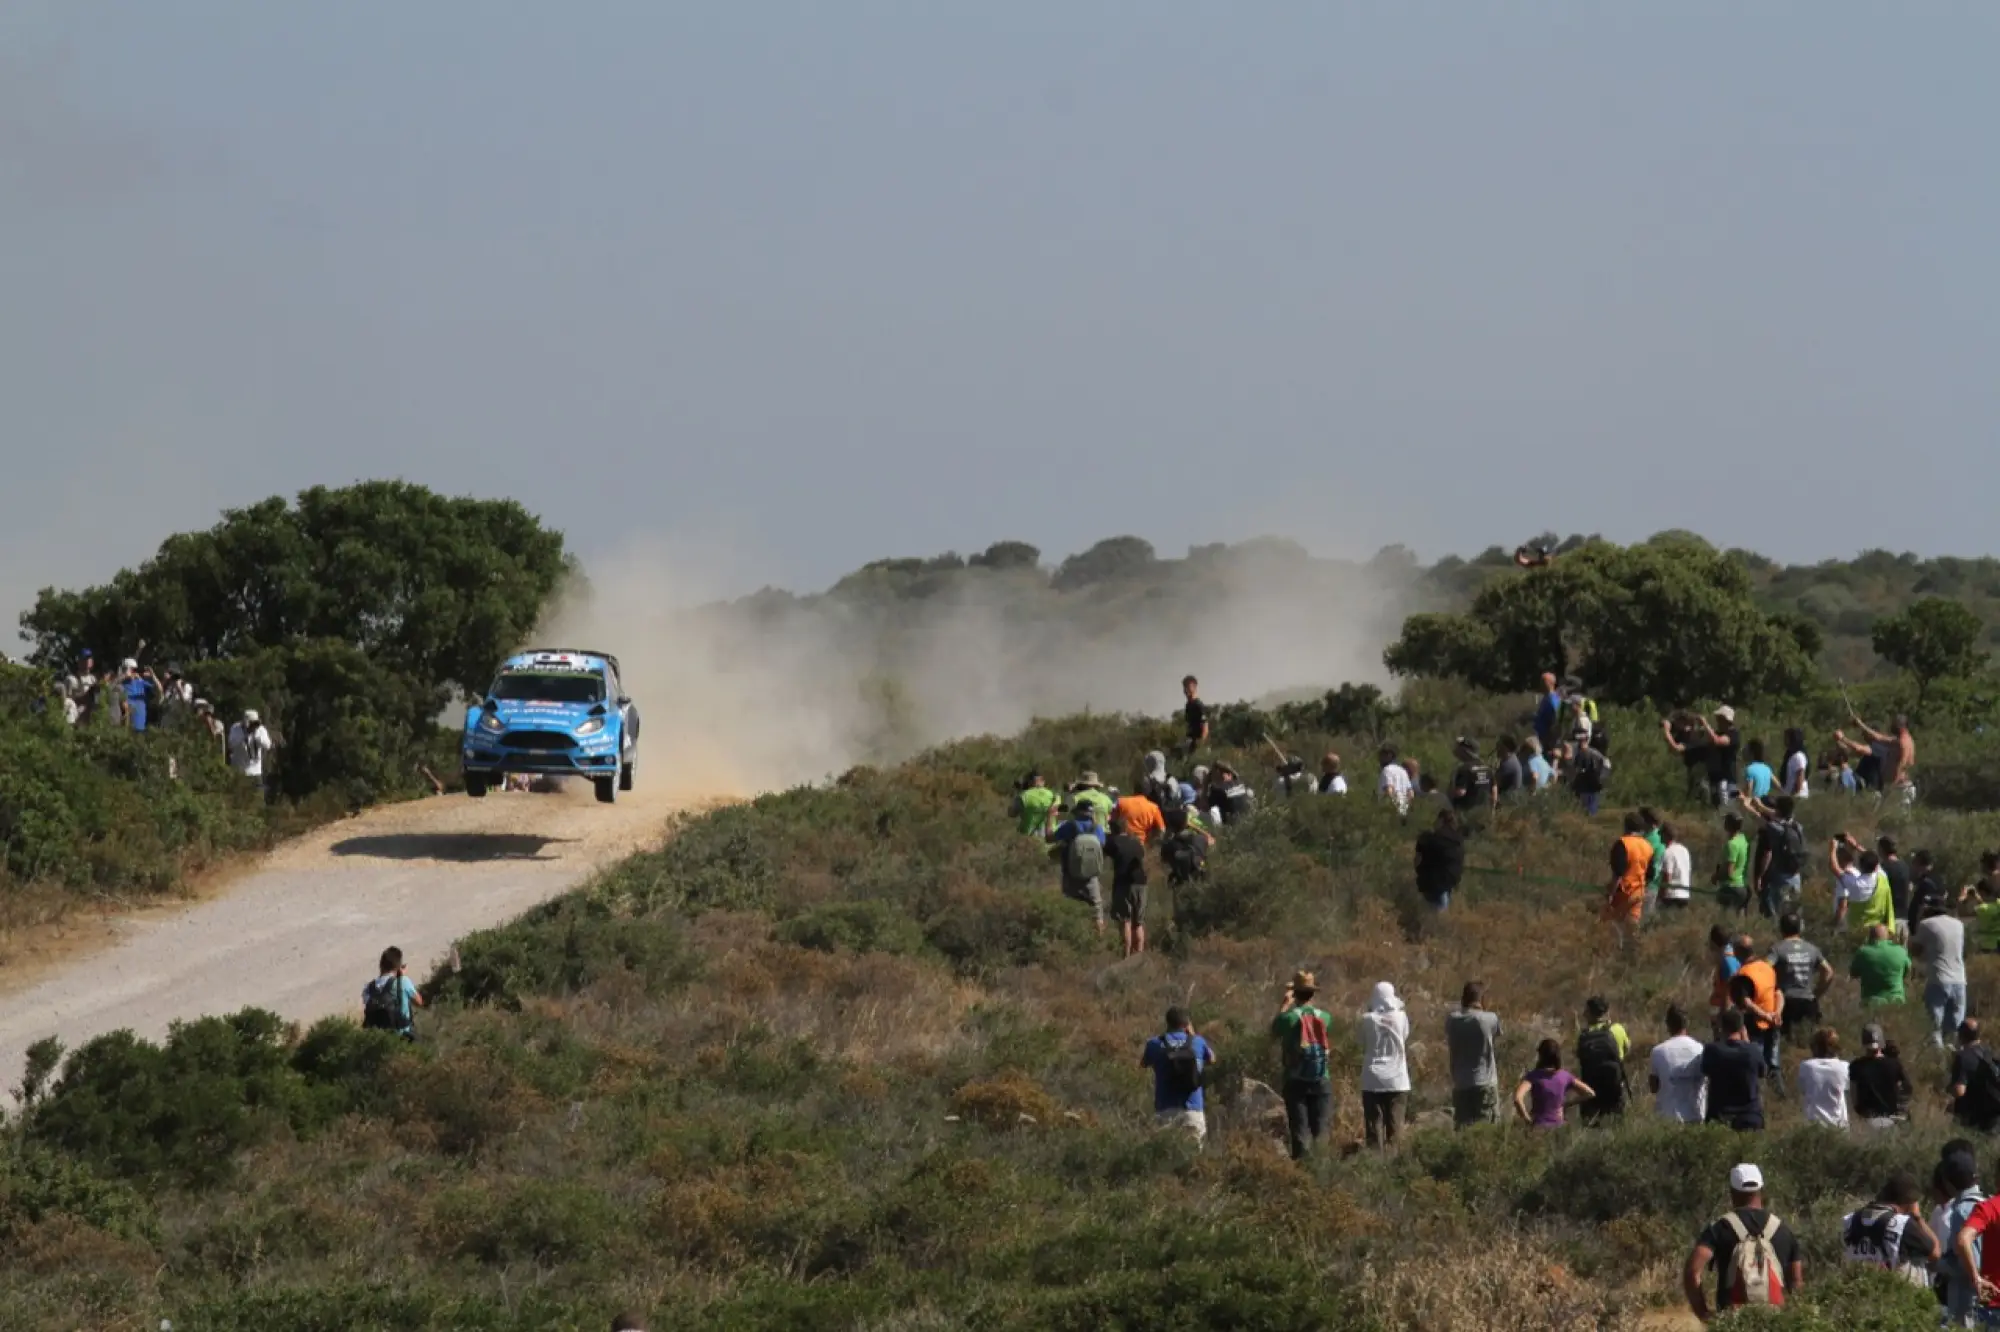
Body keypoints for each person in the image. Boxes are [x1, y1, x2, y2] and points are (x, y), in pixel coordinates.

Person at [1684, 1163, 1803, 1319]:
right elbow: (1796, 1283)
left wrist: (1704, 1315)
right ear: (1761, 1190)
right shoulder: (1784, 1231)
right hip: (1775, 1321)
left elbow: (1693, 1272)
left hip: (1733, 1322)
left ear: (1732, 1192)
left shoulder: (1720, 1227)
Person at [1271, 971, 1333, 1161]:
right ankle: (1322, 1166)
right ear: (1313, 994)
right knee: (1321, 1129)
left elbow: (1274, 1030)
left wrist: (1284, 1005)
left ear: (1295, 994)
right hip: (1321, 1077)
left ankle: (1302, 1167)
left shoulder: (1289, 1018)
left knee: (1300, 1129)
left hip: (1295, 1079)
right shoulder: (1325, 1017)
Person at [1841, 1171, 1938, 1288]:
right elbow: (1935, 1252)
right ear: (1910, 1203)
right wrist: (1917, 1217)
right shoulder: (1902, 1224)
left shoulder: (1850, 1219)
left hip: (1859, 1290)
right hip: (1899, 1293)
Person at [1140, 1007, 1216, 1145]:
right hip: (1193, 1110)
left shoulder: (1154, 1044)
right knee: (1192, 1154)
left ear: (1167, 1023)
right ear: (1187, 1024)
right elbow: (1211, 1059)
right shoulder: (1198, 1042)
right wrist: (1192, 1034)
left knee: (1165, 1153)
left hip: (1165, 1110)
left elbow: (1144, 1064)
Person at [1935, 1147, 1987, 1325]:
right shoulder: (1988, 1204)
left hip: (1968, 1300)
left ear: (1948, 1183)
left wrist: (1938, 1264)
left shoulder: (1962, 1211)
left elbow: (1969, 1264)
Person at [1357, 981, 1411, 1150]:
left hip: (1372, 1079)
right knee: (1396, 1128)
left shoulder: (1367, 1019)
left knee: (1374, 1128)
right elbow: (1405, 1037)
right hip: (1397, 1080)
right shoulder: (1401, 1017)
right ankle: (1394, 1161)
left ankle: (1374, 1162)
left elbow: (1361, 1042)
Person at [1043, 799, 1108, 935]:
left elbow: (1049, 838)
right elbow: (1101, 845)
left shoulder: (1070, 826)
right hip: (1091, 876)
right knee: (1096, 910)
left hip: (1070, 874)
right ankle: (1099, 939)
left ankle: (1070, 937)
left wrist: (1049, 817)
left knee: (1069, 909)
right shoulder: (1097, 828)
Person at [1768, 914, 1832, 1047]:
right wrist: (1817, 993)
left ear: (1781, 928)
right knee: (1807, 1043)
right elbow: (1828, 971)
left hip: (1786, 1002)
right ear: (1800, 928)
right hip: (1808, 1001)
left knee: (1784, 1042)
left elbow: (1765, 968)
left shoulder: (1777, 949)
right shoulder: (1812, 949)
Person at [1445, 981, 1503, 1128]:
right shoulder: (1489, 1018)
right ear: (1482, 999)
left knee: (1463, 1129)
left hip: (1461, 1083)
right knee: (1487, 1130)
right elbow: (1496, 1034)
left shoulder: (1452, 1020)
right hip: (1485, 1082)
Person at [1913, 898, 1969, 1048]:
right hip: (1959, 979)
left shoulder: (1926, 924)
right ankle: (1952, 1055)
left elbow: (1915, 951)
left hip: (1938, 978)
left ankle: (1937, 1057)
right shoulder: (1959, 924)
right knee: (1954, 1028)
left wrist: (1918, 919)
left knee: (1934, 1026)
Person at [1742, 793, 1806, 920]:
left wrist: (1746, 805)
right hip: (1796, 877)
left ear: (1778, 810)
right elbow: (1778, 815)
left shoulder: (1776, 830)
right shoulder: (1797, 826)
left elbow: (1758, 819)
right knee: (1795, 916)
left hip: (1782, 880)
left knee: (1780, 915)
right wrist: (1760, 805)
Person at [1731, 937, 1784, 1089]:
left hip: (1754, 1026)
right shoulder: (1767, 968)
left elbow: (1746, 1003)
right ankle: (1778, 1096)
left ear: (1737, 952)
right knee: (1773, 1066)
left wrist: (1765, 1016)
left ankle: (1758, 1096)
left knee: (1754, 1066)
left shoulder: (1743, 974)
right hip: (1773, 1024)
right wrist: (1777, 1013)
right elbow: (1778, 993)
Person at [1702, 1009, 1765, 1132]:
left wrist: (1718, 1039)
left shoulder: (1712, 1051)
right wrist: (1747, 1042)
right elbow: (1762, 1072)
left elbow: (1705, 1070)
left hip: (1720, 1117)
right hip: (1749, 1116)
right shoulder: (1753, 1051)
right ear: (1742, 1028)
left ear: (1722, 1027)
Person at [1838, 709, 1916, 805]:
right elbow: (1879, 737)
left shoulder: (1902, 743)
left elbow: (1902, 764)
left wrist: (1843, 738)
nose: (1891, 726)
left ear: (1900, 726)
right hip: (1898, 787)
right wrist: (1860, 724)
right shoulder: (1900, 741)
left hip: (1899, 788)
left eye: (1894, 724)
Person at [1514, 1037, 1593, 1129]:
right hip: (1559, 1127)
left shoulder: (1533, 1076)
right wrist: (1566, 1104)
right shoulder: (1565, 1076)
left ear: (1541, 1056)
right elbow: (1589, 1093)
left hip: (1539, 1127)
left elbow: (1518, 1098)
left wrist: (1527, 1120)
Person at [1576, 996, 1631, 1125]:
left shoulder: (1583, 1035)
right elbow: (1627, 1049)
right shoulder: (1617, 1029)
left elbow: (1580, 1057)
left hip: (1591, 1092)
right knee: (1617, 1125)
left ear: (1590, 1013)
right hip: (1615, 1089)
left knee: (1592, 1127)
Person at [1651, 1004, 1708, 1124]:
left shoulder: (1658, 1051)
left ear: (1668, 1024)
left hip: (1669, 1118)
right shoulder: (1701, 1049)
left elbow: (1654, 1088)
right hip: (1696, 1116)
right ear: (1687, 1023)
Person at [1849, 1024, 1912, 1129]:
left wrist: (1858, 1113)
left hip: (1867, 1120)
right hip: (1891, 1119)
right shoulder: (1895, 1064)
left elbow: (1854, 1096)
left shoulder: (1856, 1066)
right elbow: (1905, 1089)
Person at [1104, 811, 1149, 958]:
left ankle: (1125, 956)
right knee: (1138, 922)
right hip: (1141, 883)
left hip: (1123, 883)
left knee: (1125, 921)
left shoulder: (1113, 842)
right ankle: (1139, 956)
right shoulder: (1136, 842)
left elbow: (1105, 853)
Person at [1831, 839, 1895, 941]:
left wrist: (1833, 848)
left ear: (1860, 866)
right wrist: (1856, 846)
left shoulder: (1856, 884)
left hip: (1858, 933)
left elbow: (1835, 868)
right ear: (1875, 867)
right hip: (1879, 930)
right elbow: (1874, 861)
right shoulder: (1882, 876)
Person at [1602, 812, 1653, 935]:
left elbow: (1618, 874)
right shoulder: (1648, 846)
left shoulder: (1623, 844)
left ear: (1626, 826)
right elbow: (1651, 874)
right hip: (1638, 893)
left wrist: (1610, 894)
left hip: (1622, 893)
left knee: (1611, 927)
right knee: (1631, 928)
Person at [361, 945, 424, 1039]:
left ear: (380, 965)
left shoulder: (368, 988)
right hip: (403, 1037)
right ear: (398, 966)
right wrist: (401, 976)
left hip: (378, 1039)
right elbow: (419, 1002)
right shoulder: (403, 982)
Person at [1951, 1019, 2000, 1134]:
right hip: (1995, 1109)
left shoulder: (1963, 1057)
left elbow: (1959, 1091)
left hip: (1975, 1115)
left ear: (1961, 1035)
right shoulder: (1988, 1051)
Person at [1795, 1029, 1849, 1129]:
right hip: (1839, 1128)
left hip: (1813, 1127)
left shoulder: (1806, 1067)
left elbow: (1803, 1090)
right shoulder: (1845, 1067)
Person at [1414, 809, 1465, 912]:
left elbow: (1418, 859)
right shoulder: (1458, 840)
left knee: (1434, 910)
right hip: (1450, 881)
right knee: (1441, 906)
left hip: (1433, 881)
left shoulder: (1431, 839)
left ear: (1441, 821)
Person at [1849, 922, 1911, 1007]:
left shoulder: (1863, 952)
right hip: (1896, 1001)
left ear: (1869, 937)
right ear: (1888, 936)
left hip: (1870, 1003)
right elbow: (1908, 971)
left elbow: (1853, 973)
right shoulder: (1900, 951)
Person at [1157, 807, 1210, 887]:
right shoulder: (1201, 839)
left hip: (1181, 884)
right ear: (1185, 823)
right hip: (1202, 880)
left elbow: (1163, 864)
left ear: (1170, 827)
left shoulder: (1168, 846)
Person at [1447, 736, 1494, 821]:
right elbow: (1494, 792)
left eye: (1459, 748)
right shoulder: (1487, 768)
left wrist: (1449, 795)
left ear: (1465, 751)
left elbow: (1461, 792)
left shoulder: (1464, 769)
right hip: (1484, 814)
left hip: (1466, 815)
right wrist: (1492, 812)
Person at [1568, 728, 1610, 816]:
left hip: (1589, 787)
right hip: (1585, 786)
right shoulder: (1583, 753)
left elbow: (1605, 767)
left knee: (1587, 811)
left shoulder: (1592, 754)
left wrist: (1599, 779)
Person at [1708, 926, 1744, 1030]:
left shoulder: (1728, 960)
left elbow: (1731, 987)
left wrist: (1724, 1016)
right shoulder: (1729, 956)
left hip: (1729, 1014)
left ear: (1714, 942)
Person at [1715, 812, 1751, 912]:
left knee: (1725, 917)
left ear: (1728, 825)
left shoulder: (1731, 845)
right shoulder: (1743, 839)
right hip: (1742, 886)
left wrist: (1716, 876)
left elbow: (1729, 872)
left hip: (1731, 888)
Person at [1877, 836, 1913, 934]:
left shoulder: (1882, 869)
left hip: (1888, 920)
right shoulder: (1905, 867)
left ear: (1881, 849)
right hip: (1903, 918)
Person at [1657, 821, 1693, 910]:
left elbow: (1667, 877)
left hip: (1671, 896)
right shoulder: (1684, 850)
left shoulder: (1668, 852)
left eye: (1661, 833)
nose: (1659, 836)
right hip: (1685, 894)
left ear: (1666, 835)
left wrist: (1660, 896)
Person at [1010, 771, 1058, 835]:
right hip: (1050, 835)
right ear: (1043, 781)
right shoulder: (1053, 795)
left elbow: (1012, 814)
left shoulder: (1023, 796)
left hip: (1028, 836)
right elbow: (1055, 813)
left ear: (1029, 782)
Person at [1376, 744, 1413, 815]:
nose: (1379, 758)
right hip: (1403, 812)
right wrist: (1403, 808)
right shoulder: (1403, 771)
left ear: (1389, 756)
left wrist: (1393, 809)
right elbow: (1411, 794)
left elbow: (1389, 791)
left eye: (1382, 755)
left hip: (1389, 813)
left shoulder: (1386, 770)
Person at [1533, 671, 1563, 753]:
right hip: (1541, 739)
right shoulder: (1545, 698)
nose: (1540, 684)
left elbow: (1556, 720)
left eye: (1543, 681)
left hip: (1548, 742)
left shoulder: (1553, 700)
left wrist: (1551, 742)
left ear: (1550, 683)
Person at [1779, 727, 1811, 800]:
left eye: (1786, 738)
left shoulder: (1798, 756)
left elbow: (1800, 775)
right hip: (1790, 795)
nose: (1784, 740)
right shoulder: (1791, 755)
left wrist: (1794, 794)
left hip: (1797, 796)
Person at [1494, 735, 1524, 802]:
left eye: (1498, 746)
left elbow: (1494, 783)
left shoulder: (1508, 764)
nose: (1496, 748)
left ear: (1505, 748)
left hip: (1507, 799)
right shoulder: (1511, 759)